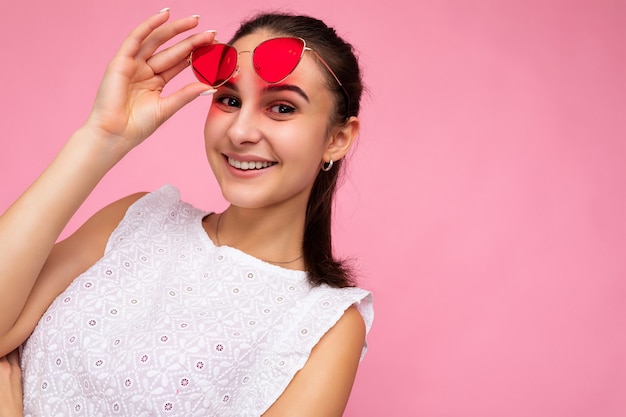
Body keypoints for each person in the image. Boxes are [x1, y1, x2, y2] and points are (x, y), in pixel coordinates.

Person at [0, 7, 373, 417]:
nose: (240, 131)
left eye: (282, 107)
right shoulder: (133, 220)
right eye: (229, 100)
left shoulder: (325, 325)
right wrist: (100, 137)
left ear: (338, 139)